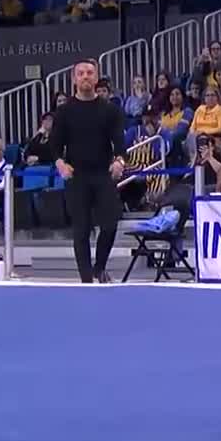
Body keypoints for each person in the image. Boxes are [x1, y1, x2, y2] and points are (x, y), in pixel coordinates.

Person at [49, 59, 128, 283]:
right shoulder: (64, 112)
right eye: (81, 73)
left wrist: (119, 161)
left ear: (96, 78)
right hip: (77, 175)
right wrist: (60, 164)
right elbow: (54, 145)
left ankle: (99, 268)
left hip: (102, 173)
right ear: (74, 78)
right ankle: (86, 279)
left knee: (110, 224)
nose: (85, 76)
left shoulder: (110, 110)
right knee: (81, 229)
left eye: (90, 73)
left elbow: (119, 142)